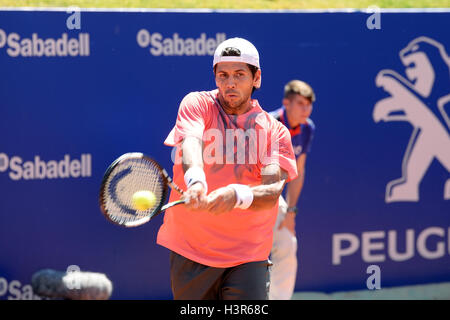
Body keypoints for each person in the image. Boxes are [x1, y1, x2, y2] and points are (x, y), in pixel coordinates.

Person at [156, 38, 298, 300]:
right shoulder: (196, 104)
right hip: (191, 250)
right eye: (223, 75)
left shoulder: (275, 131)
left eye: (239, 75)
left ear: (257, 79)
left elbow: (271, 191)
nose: (230, 83)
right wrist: (196, 181)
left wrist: (237, 195)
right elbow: (190, 143)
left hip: (248, 256)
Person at [268, 80, 316, 300]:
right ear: (286, 103)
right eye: (300, 104)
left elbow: (299, 170)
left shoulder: (307, 129)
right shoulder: (268, 124)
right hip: (250, 197)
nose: (305, 109)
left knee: (287, 243)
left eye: (308, 104)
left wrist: (291, 212)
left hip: (276, 200)